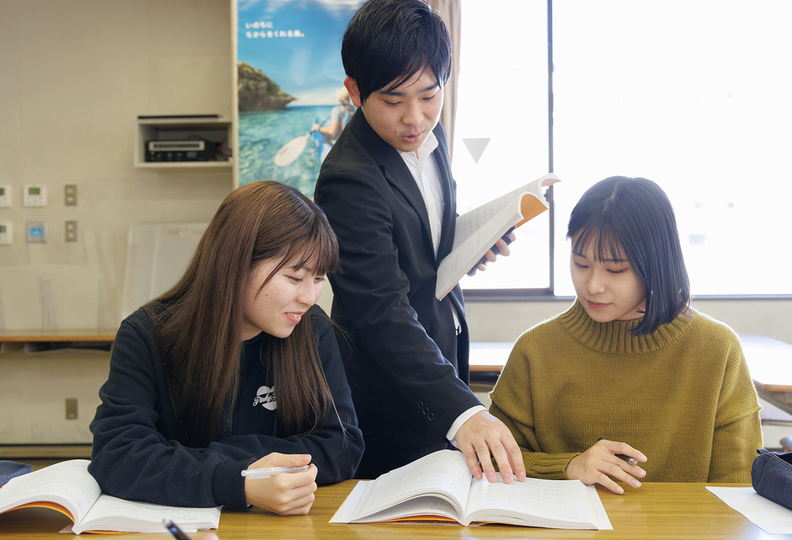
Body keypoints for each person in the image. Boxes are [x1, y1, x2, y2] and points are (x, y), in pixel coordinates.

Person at [314, 0, 525, 482]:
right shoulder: (348, 179)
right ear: (354, 91)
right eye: (393, 100)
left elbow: (423, 241)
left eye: (430, 95)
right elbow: (380, 313)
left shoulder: (432, 136)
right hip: (386, 399)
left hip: (439, 366)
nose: (416, 118)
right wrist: (466, 411)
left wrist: (468, 246)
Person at [89, 180, 363, 514]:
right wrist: (238, 480)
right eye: (294, 277)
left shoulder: (313, 329)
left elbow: (343, 443)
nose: (309, 297)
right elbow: (117, 455)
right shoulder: (147, 334)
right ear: (236, 264)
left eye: (318, 278)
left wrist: (215, 463)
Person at [489, 176, 762, 493]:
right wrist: (569, 466)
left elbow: (739, 487)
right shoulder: (535, 350)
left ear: (656, 264)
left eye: (615, 270)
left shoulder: (717, 350)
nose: (593, 285)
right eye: (580, 263)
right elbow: (495, 460)